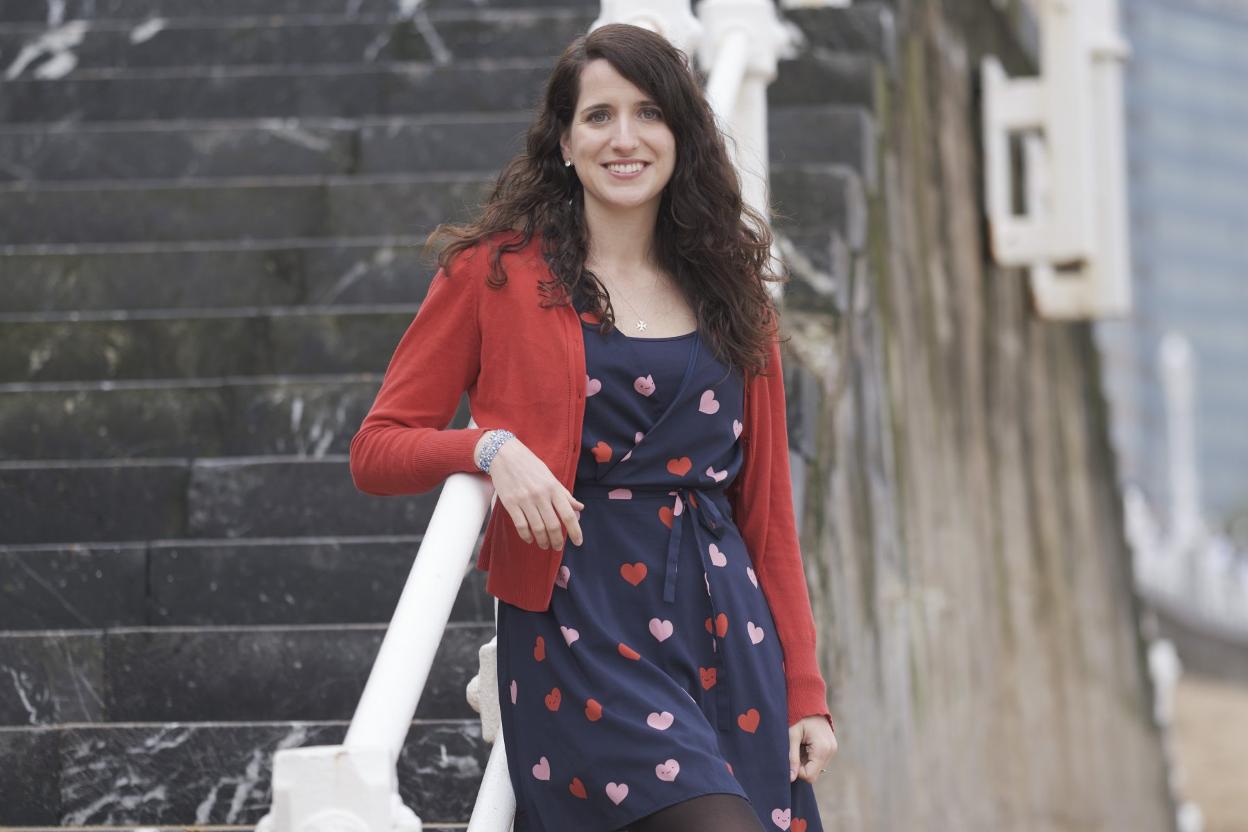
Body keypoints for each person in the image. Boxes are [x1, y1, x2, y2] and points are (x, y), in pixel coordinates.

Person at [349, 22, 837, 832]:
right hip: (580, 631)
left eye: (649, 113)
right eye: (599, 116)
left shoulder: (733, 288)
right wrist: (490, 447)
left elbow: (767, 513)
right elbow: (377, 448)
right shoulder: (494, 271)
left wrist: (806, 690)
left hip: (725, 630)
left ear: (682, 136)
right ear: (565, 142)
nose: (625, 138)